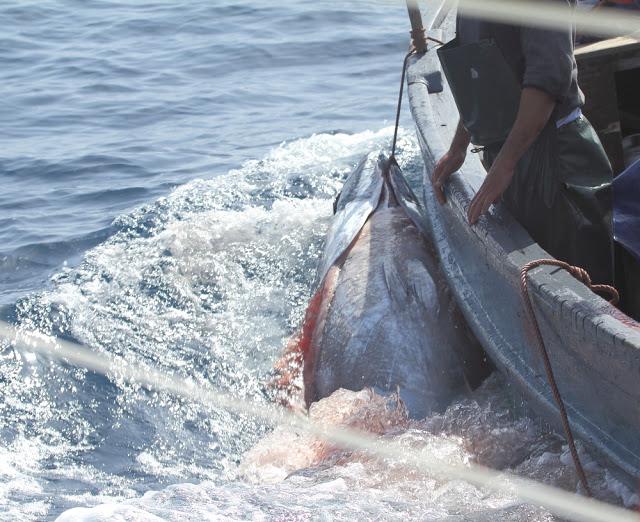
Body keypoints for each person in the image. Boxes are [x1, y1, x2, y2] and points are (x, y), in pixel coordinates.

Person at [432, 0, 614, 284]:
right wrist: (458, 147)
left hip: (558, 158)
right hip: (510, 155)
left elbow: (546, 82)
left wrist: (504, 166)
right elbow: (481, 76)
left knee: (583, 282)